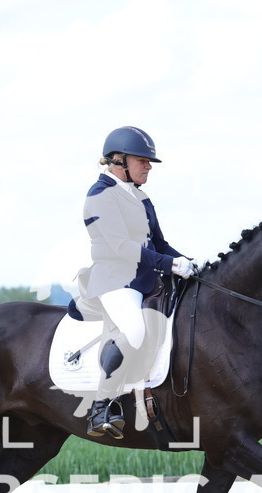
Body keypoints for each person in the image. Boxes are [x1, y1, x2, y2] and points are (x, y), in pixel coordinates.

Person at [76, 126, 197, 439]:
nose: (148, 166)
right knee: (135, 329)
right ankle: (101, 406)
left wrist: (192, 264)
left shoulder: (140, 197)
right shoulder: (100, 195)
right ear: (119, 161)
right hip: (115, 280)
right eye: (142, 160)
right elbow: (123, 248)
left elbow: (158, 243)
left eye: (149, 161)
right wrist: (170, 265)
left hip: (144, 279)